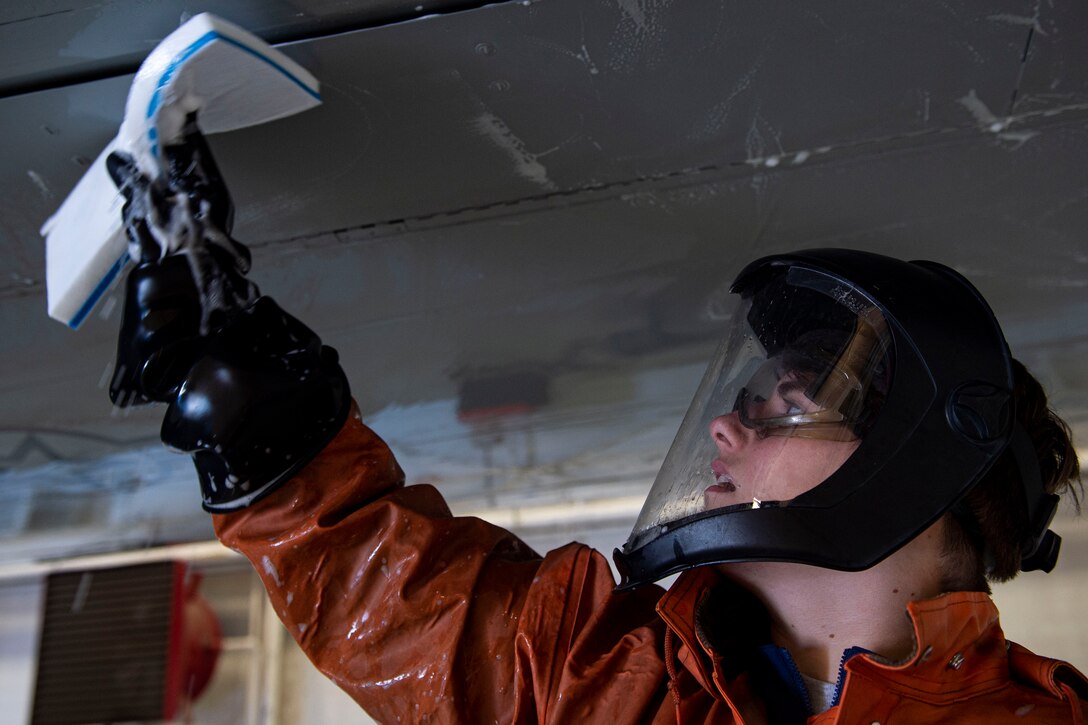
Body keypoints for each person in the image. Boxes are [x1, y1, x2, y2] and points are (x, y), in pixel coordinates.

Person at [104, 123, 1087, 723]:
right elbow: (408, 616)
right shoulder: (626, 681)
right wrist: (257, 410)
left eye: (783, 406)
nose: (721, 433)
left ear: (912, 473)